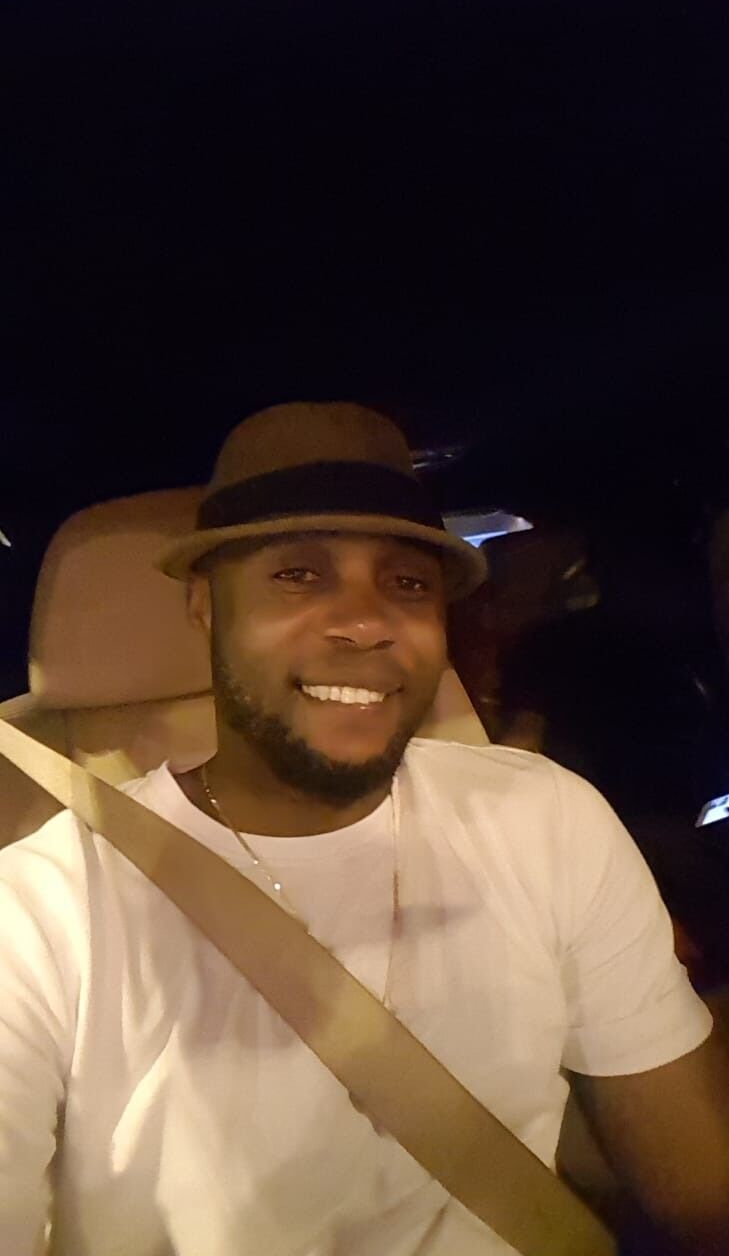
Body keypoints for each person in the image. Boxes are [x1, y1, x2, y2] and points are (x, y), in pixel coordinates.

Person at [0, 401, 727, 1256]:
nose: (366, 620)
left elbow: (698, 1191)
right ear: (205, 606)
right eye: (297, 574)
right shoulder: (42, 913)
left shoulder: (546, 817)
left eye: (407, 583)